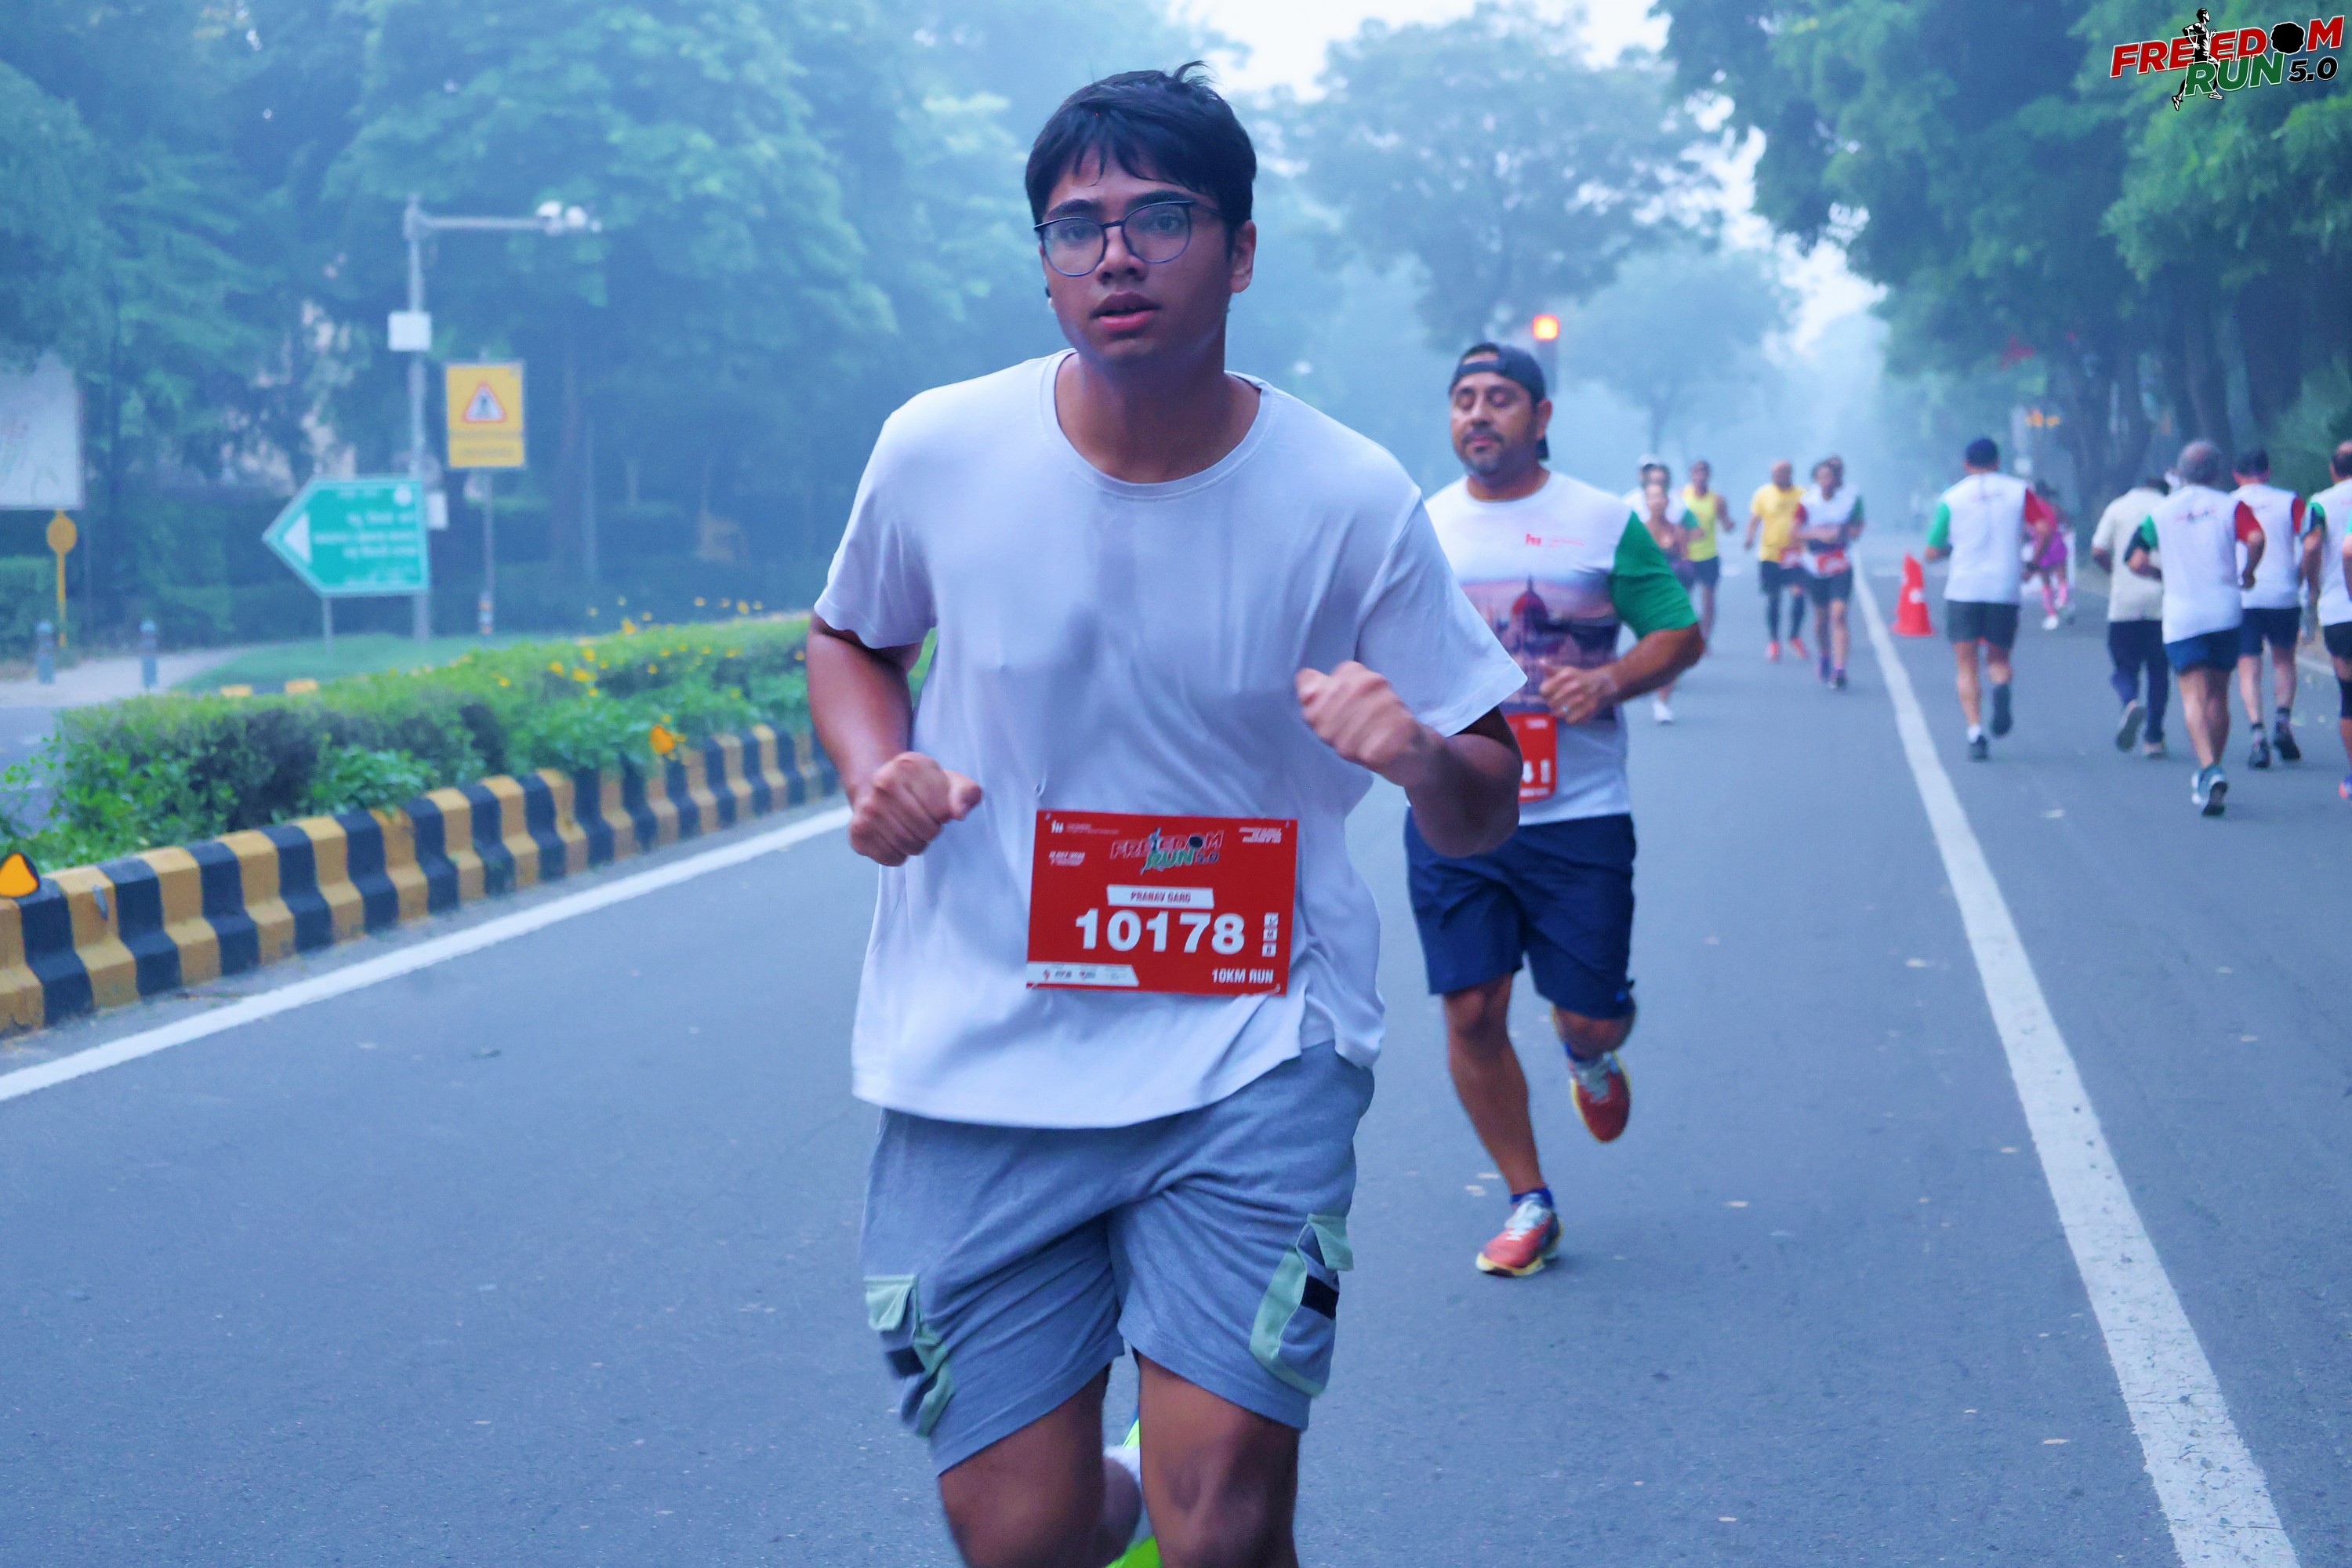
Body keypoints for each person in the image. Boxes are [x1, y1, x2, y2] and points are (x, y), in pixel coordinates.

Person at [808, 67, 1527, 1568]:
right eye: (1078, 229)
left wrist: (1416, 756)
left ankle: (1176, 1501)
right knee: (1022, 1538)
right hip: (981, 1051)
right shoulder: (939, 448)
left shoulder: (1349, 495)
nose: (1117, 256)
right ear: (1046, 264)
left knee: (1228, 1525)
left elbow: (1485, 803)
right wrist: (878, 768)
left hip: (1252, 1044)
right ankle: (1114, 1503)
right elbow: (853, 636)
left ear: (1242, 250)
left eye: (1162, 218)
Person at [1417, 342, 1704, 1279]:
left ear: (1540, 417)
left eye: (1500, 397)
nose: (1478, 413)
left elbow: (1678, 631)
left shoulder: (1600, 521)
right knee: (1470, 1008)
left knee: (1589, 1017)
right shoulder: (1421, 525)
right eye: (1464, 398)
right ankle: (1528, 1198)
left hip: (1578, 811)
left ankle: (1590, 1054)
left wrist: (1610, 679)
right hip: (1457, 809)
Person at [2125, 438, 2265, 815]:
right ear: (2217, 472)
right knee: (2219, 694)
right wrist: (2248, 572)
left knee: (2192, 696)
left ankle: (2209, 769)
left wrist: (2161, 574)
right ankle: (2211, 768)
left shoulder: (2160, 513)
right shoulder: (2231, 506)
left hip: (2183, 614)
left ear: (2181, 472)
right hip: (2225, 611)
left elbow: (2135, 560)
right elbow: (2255, 538)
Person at [1925, 437, 2056, 760]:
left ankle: (1975, 734)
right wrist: (2033, 563)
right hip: (2004, 587)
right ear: (1998, 462)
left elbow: (1931, 551)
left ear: (1966, 464)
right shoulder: (2018, 491)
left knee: (1966, 665)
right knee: (1998, 660)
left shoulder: (1951, 498)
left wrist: (1952, 548)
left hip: (1964, 589)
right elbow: (2045, 527)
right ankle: (2001, 685)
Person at [2227, 449, 2308, 769]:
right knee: (2284, 659)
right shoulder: (2291, 502)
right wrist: (2301, 576)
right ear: (2268, 471)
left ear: (2236, 475)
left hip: (2244, 596)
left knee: (2249, 665)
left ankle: (2257, 733)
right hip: (2283, 593)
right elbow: (2308, 541)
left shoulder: (2228, 504)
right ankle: (2283, 722)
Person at [2089, 474, 2171, 757]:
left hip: (2124, 601)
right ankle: (2154, 738)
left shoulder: (2117, 507)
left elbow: (2098, 550)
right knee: (2159, 670)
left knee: (2125, 667)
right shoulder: (2168, 507)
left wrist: (2114, 573)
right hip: (2162, 600)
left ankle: (2130, 703)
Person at [2300, 441, 2352, 800]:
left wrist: (2313, 587)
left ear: (2333, 470)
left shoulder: (2320, 503)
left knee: (2350, 695)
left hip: (2339, 610)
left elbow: (2311, 546)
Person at [1791, 457, 1864, 688]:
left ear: (1836, 479)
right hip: (1815, 565)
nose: (1826, 481)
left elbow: (1857, 528)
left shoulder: (1848, 500)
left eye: (1830, 476)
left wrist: (1846, 531)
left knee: (1839, 615)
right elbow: (1794, 533)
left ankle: (1840, 669)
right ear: (1816, 479)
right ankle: (1825, 654)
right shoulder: (1807, 502)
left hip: (1841, 563)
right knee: (1821, 620)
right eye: (1821, 477)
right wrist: (1819, 534)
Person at [1640, 472, 1691, 722]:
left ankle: (1662, 701)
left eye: (1660, 497)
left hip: (1672, 599)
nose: (1656, 502)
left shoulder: (1678, 531)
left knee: (1671, 652)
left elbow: (1688, 564)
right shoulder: (1639, 532)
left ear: (1667, 501)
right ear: (1646, 502)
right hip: (1647, 600)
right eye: (1652, 497)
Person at [1745, 459, 1808, 661]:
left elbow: (1810, 519)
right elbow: (1754, 520)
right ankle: (1774, 642)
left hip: (1795, 554)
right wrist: (1749, 538)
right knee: (1774, 598)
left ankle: (1794, 636)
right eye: (1775, 474)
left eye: (1782, 473)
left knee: (1799, 594)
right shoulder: (1763, 494)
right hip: (1770, 554)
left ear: (1790, 473)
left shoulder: (1803, 494)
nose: (1778, 477)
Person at [1679, 458, 1731, 642]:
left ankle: (1704, 639)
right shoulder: (1681, 497)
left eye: (1704, 472)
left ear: (1709, 475)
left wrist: (1730, 525)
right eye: (1697, 472)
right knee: (1684, 600)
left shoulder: (1717, 500)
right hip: (1686, 556)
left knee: (1708, 602)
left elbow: (1726, 524)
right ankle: (1687, 637)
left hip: (1709, 556)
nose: (1700, 476)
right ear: (1692, 474)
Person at [2025, 484, 2075, 630]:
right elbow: (2067, 524)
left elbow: (2027, 528)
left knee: (2045, 582)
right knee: (2062, 578)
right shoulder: (2055, 508)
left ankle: (2051, 613)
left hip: (2041, 545)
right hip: (2057, 543)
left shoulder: (2032, 510)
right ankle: (2062, 601)